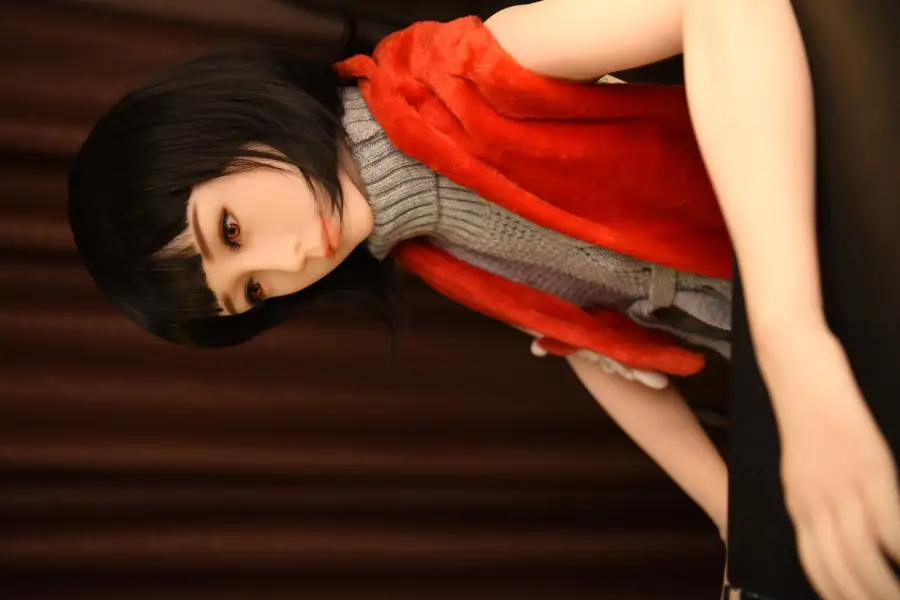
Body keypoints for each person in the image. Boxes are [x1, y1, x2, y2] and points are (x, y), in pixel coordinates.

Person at [67, 1, 900, 598]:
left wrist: (791, 341)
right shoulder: (429, 251)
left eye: (231, 228)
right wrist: (732, 517)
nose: (290, 262)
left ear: (227, 123)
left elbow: (724, 7)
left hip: (838, 206)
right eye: (252, 291)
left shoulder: (447, 76)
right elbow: (585, 343)